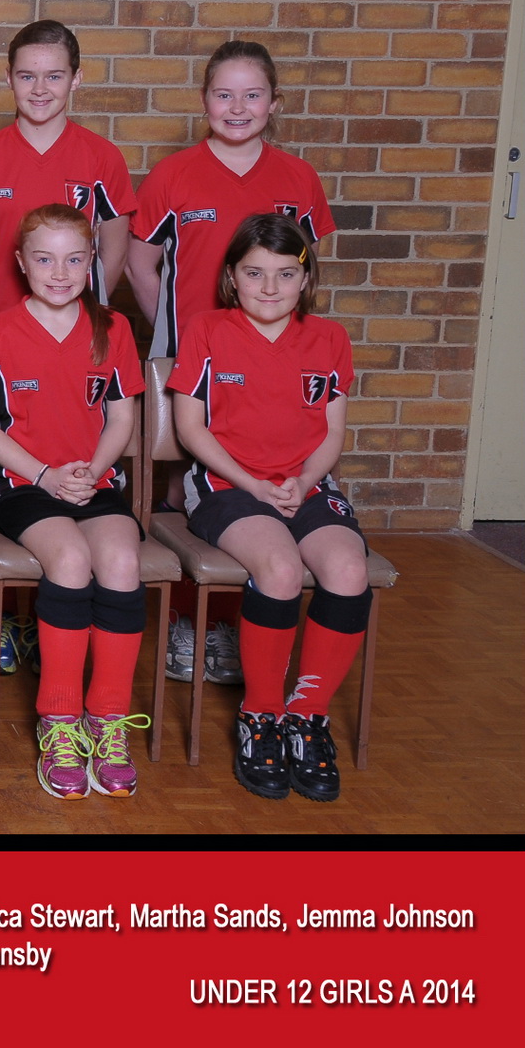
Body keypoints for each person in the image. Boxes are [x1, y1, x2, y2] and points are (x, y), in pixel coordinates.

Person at [125, 40, 338, 687]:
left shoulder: (298, 177)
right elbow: (140, 263)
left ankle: (236, 623)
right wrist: (175, 334)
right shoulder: (174, 175)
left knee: (260, 482)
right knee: (184, 486)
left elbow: (307, 267)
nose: (237, 107)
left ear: (274, 103)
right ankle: (190, 622)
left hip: (268, 363)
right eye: (224, 94)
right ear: (204, 101)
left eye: (252, 94)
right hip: (196, 359)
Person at [168, 214, 366, 803]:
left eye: (285, 274)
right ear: (232, 276)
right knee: (279, 569)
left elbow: (333, 432)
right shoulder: (207, 329)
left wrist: (304, 481)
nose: (270, 287)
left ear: (306, 279)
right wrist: (252, 483)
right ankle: (261, 717)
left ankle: (307, 716)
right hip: (228, 485)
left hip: (305, 485)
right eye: (254, 273)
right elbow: (191, 428)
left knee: (348, 569)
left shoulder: (330, 339)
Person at [0, 206, 150, 800]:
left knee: (122, 562)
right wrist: (44, 474)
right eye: (44, 259)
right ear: (21, 263)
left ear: (92, 262)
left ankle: (108, 718)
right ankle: (59, 720)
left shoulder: (113, 329)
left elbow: (121, 418)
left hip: (91, 481)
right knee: (69, 559)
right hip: (19, 484)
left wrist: (92, 471)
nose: (59, 273)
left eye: (73, 259)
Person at [0, 19, 133, 334]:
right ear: (9, 78)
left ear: (75, 79)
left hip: (79, 328)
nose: (39, 89)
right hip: (0, 327)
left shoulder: (103, 158)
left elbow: (114, 253)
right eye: (27, 76)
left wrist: (75, 305)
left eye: (54, 76)